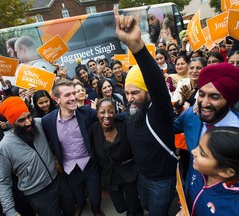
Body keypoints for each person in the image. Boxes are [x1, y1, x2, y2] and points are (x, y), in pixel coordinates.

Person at [114, 8, 177, 215]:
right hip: (141, 177)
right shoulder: (131, 114)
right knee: (146, 209)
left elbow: (156, 83)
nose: (130, 97)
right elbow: (117, 116)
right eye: (127, 93)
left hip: (162, 181)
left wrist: (136, 47)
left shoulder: (160, 113)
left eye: (136, 92)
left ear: (148, 93)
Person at [0, 96, 75, 216]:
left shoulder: (38, 123)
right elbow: (3, 181)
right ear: (12, 123)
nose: (28, 122)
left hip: (58, 181)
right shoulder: (4, 148)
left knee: (71, 211)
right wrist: (9, 211)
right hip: (38, 195)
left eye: (29, 117)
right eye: (21, 120)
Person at [41, 80, 104, 216]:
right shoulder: (47, 121)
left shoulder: (86, 112)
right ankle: (81, 205)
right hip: (69, 169)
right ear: (57, 100)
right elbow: (47, 142)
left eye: (74, 93)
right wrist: (55, 159)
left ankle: (97, 210)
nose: (73, 98)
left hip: (90, 164)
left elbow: (106, 118)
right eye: (67, 95)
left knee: (95, 199)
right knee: (79, 199)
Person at [174, 63, 239, 192]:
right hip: (192, 192)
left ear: (229, 99)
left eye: (214, 97)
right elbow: (168, 128)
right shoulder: (192, 115)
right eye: (202, 94)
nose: (204, 103)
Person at [90, 99, 142, 215]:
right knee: (120, 208)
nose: (107, 116)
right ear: (97, 113)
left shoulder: (124, 126)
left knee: (133, 207)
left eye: (111, 112)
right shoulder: (93, 130)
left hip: (129, 173)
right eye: (102, 112)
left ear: (116, 112)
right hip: (110, 176)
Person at [176, 127, 239, 216]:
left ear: (225, 171)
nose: (193, 151)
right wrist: (184, 210)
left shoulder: (234, 207)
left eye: (202, 153)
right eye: (198, 146)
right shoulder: (198, 170)